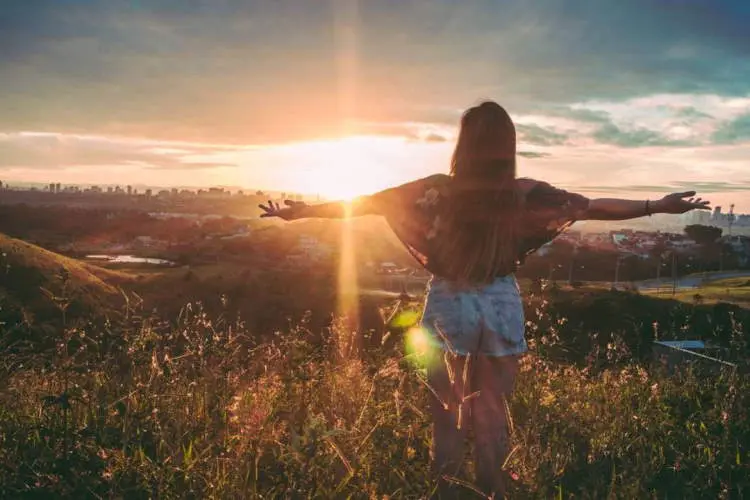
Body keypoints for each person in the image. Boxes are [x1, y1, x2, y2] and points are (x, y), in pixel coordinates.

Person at [259, 100, 710, 498]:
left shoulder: (434, 189)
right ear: (507, 145)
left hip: (449, 301)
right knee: (492, 403)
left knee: (447, 407)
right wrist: (656, 205)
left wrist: (300, 213)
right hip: (499, 301)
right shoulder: (523, 192)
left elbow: (365, 203)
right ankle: (492, 486)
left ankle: (449, 489)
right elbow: (592, 205)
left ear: (463, 143)